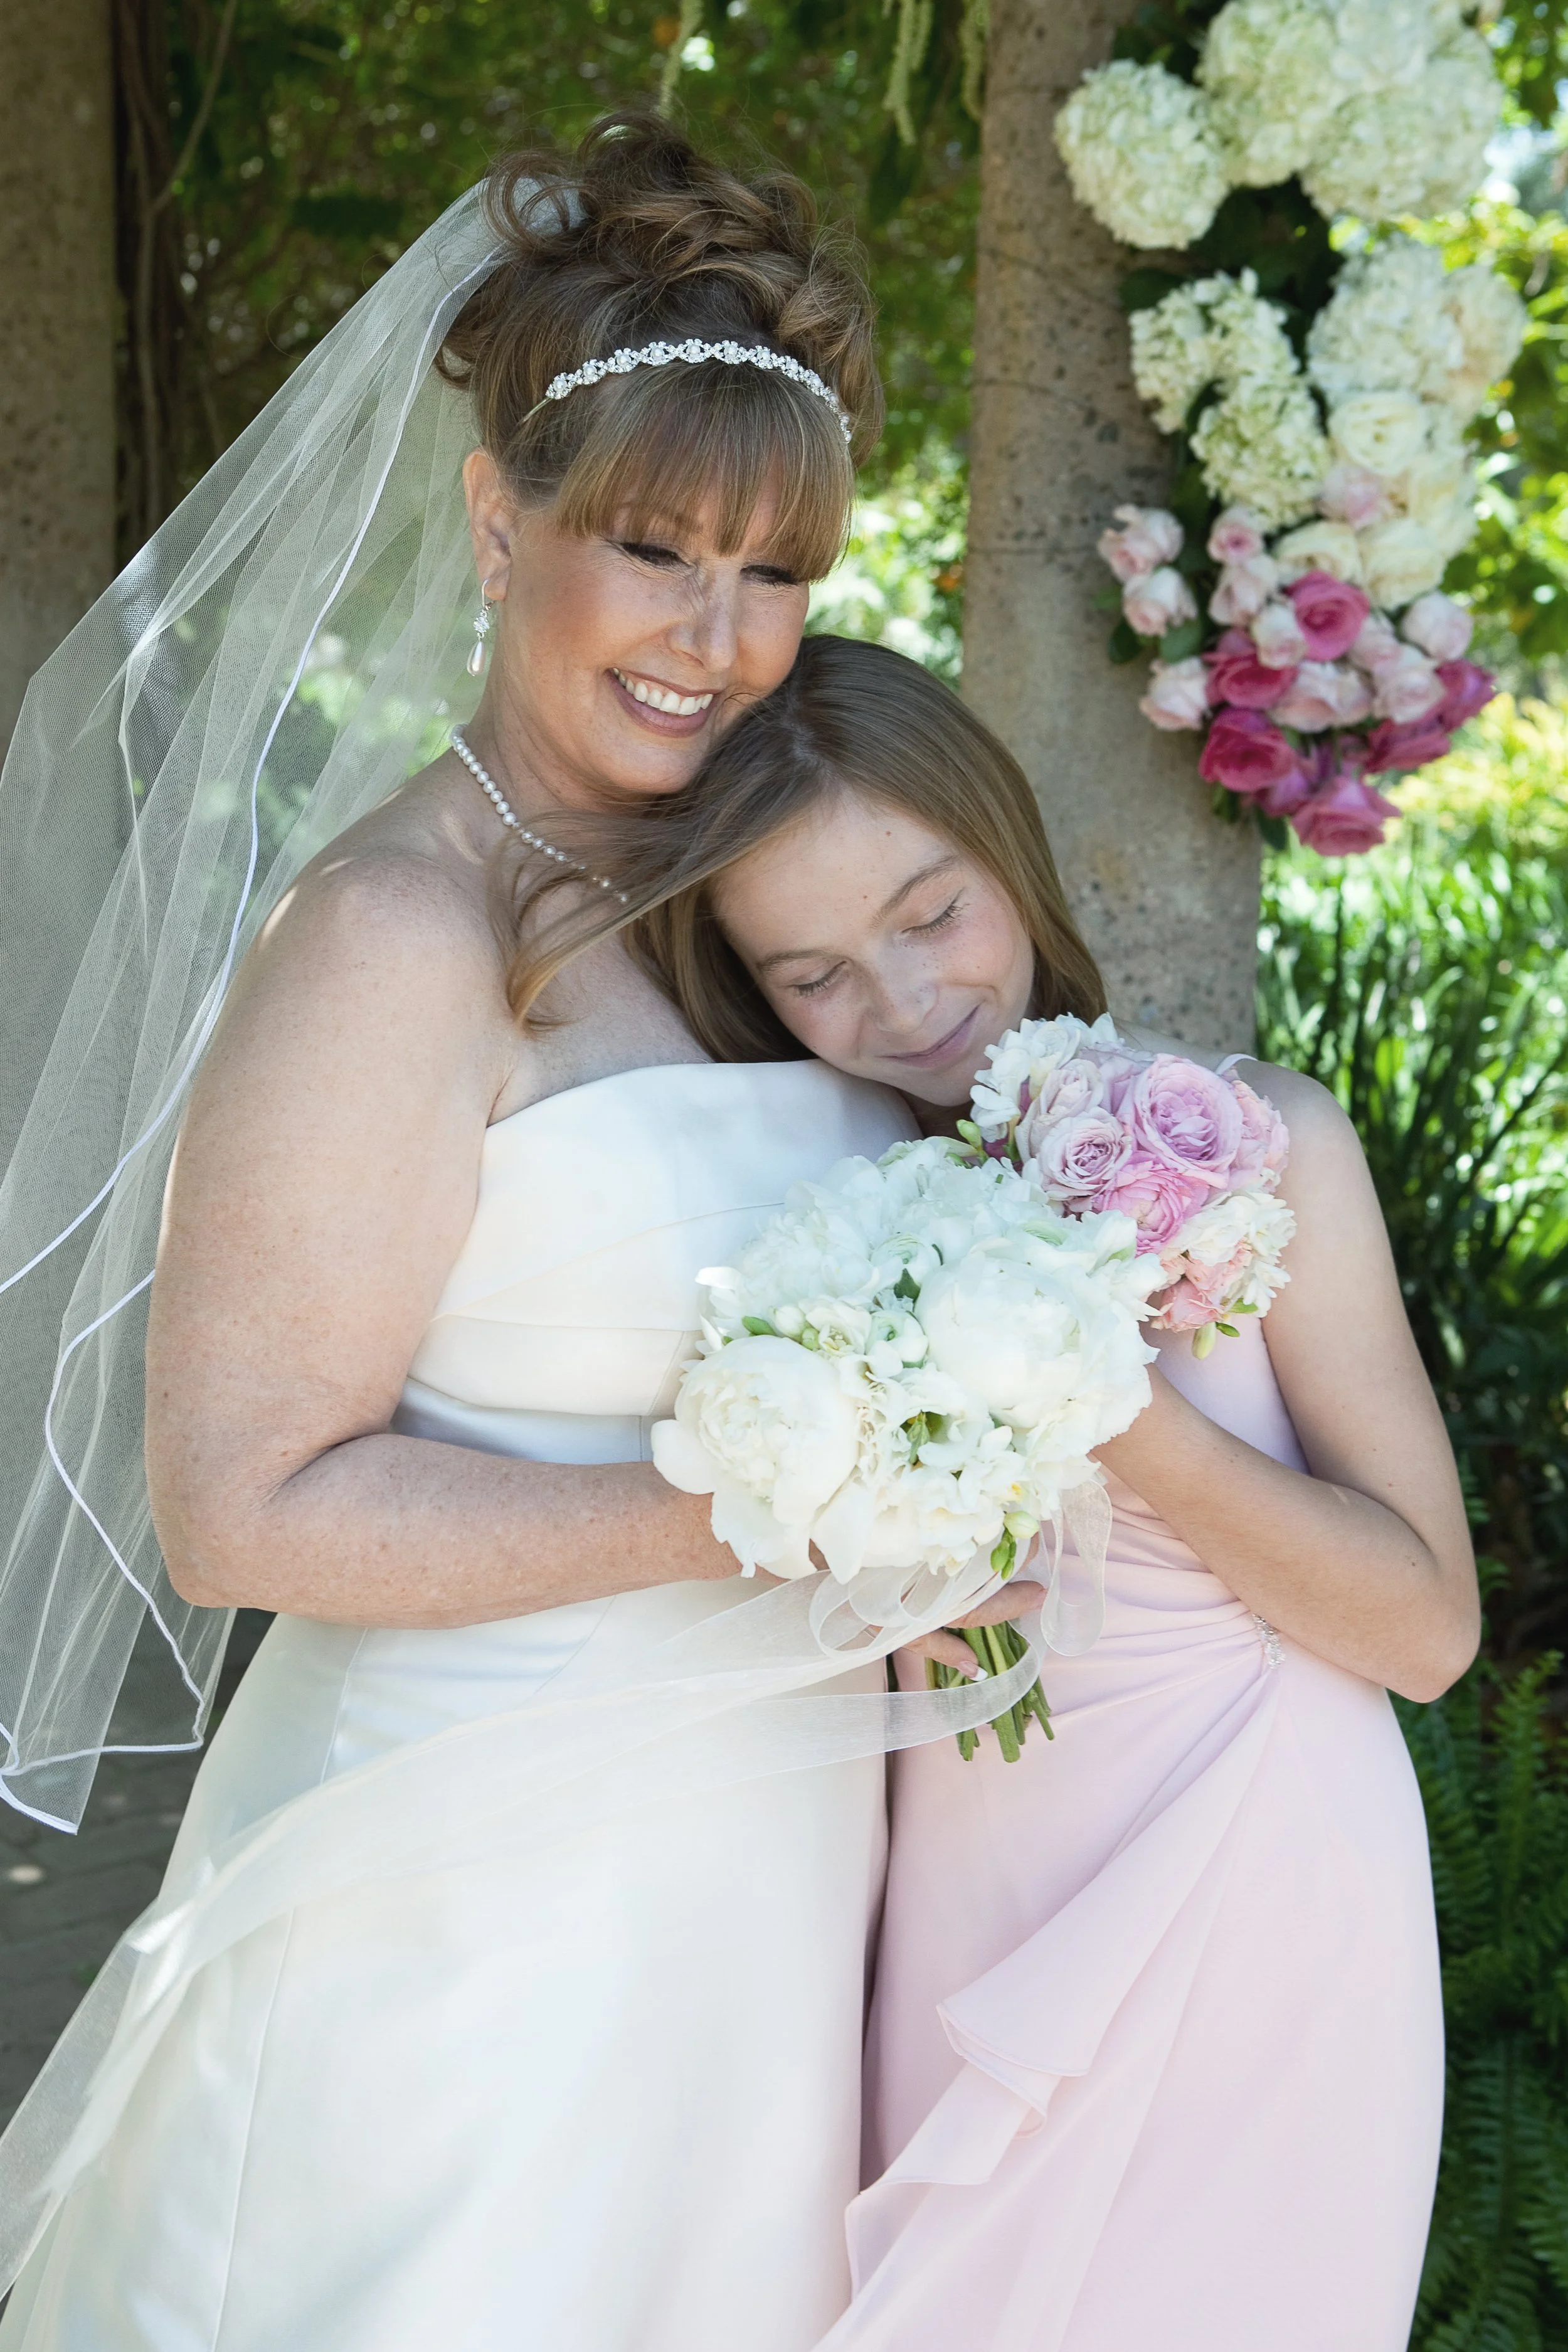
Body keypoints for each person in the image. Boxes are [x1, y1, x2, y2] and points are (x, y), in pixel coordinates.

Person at [0, 125, 1013, 2351]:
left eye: (771, 576)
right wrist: (766, 1510)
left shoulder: (741, 908)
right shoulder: (388, 932)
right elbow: (242, 1504)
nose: (714, 640)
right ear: (494, 521)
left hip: (743, 1904)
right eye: (651, 548)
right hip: (458, 1900)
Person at [613, 632, 1478, 2350]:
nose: (906, 1000)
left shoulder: (1252, 1143)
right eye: (814, 971)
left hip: (1258, 1871)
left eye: (931, 912)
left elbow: (1430, 1628)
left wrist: (1115, 1406)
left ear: (1008, 847)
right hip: (961, 1890)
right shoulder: (798, 1235)